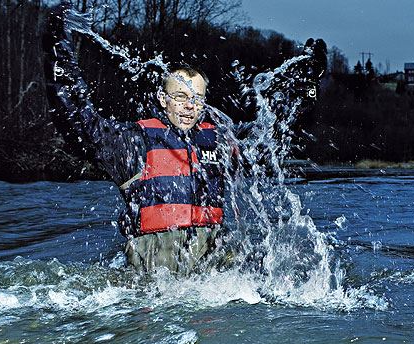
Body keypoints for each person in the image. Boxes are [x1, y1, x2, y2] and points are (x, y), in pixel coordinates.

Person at [43, 7, 326, 274]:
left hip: (212, 275)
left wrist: (307, 90)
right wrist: (57, 51)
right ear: (162, 99)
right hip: (156, 277)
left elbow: (273, 138)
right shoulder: (133, 142)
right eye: (180, 97)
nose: (189, 106)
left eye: (197, 99)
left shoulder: (218, 141)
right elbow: (77, 120)